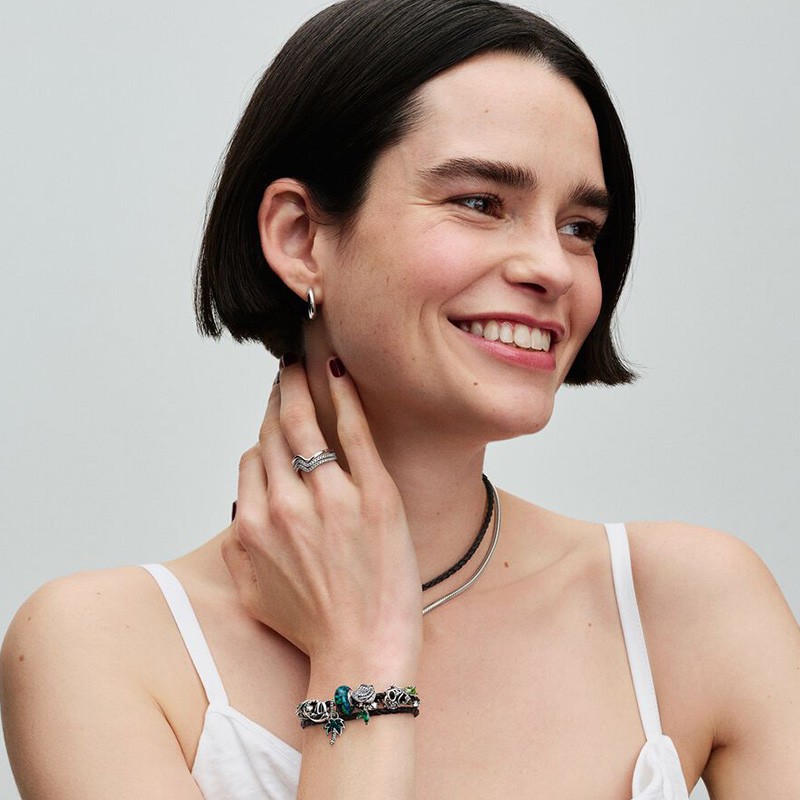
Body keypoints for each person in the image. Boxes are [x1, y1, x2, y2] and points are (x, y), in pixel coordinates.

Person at [2, 0, 798, 797]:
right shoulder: (101, 649)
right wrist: (359, 659)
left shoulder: (694, 606)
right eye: (480, 202)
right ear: (300, 237)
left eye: (580, 227)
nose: (554, 268)